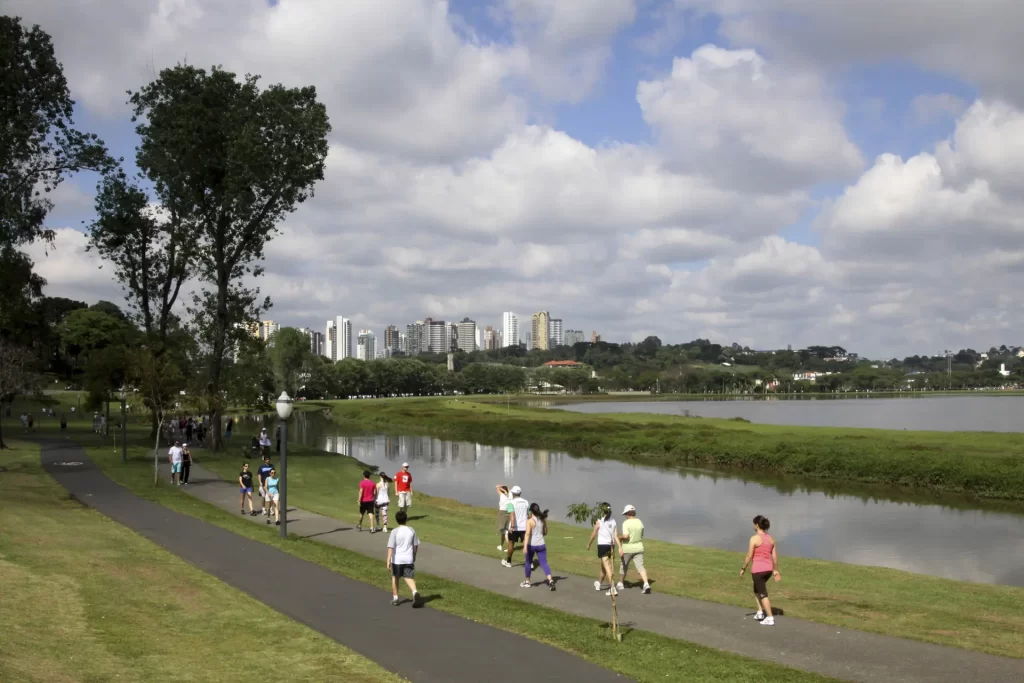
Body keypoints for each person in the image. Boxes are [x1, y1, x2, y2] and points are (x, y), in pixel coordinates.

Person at [741, 515, 781, 626]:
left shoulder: (754, 539)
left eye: (754, 524)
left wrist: (743, 568)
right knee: (756, 589)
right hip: (768, 570)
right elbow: (774, 557)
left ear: (757, 525)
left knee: (763, 594)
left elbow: (749, 556)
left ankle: (770, 618)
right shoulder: (771, 539)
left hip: (758, 571)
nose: (753, 526)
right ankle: (760, 612)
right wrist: (775, 570)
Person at [386, 510, 422, 607]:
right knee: (408, 577)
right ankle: (415, 592)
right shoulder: (411, 530)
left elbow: (390, 547)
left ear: (397, 520)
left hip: (397, 560)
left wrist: (388, 560)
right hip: (408, 559)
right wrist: (414, 555)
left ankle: (395, 598)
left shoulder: (394, 531)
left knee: (395, 577)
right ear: (406, 519)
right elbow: (416, 545)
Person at [586, 502, 622, 596]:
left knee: (607, 567)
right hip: (611, 546)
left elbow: (594, 533)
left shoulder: (599, 520)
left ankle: (612, 588)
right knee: (604, 567)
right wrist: (619, 547)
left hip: (603, 546)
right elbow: (615, 535)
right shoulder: (613, 521)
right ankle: (599, 583)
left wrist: (589, 544)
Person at [618, 504, 651, 594]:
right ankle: (646, 584)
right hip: (639, 548)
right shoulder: (639, 522)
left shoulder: (626, 523)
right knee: (640, 567)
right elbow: (641, 534)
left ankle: (621, 583)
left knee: (623, 566)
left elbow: (626, 536)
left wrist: (620, 538)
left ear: (627, 514)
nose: (625, 516)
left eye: (625, 514)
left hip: (627, 549)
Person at [522, 503, 555, 590]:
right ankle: (550, 580)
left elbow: (527, 534)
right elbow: (545, 532)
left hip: (531, 545)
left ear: (531, 511)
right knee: (544, 563)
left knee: (528, 562)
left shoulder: (529, 521)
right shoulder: (542, 520)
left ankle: (527, 581)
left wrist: (525, 546)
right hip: (541, 544)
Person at [502, 485, 529, 568]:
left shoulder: (511, 503)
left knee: (511, 544)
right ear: (520, 493)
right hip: (524, 527)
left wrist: (512, 526)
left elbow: (512, 515)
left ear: (513, 493)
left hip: (514, 528)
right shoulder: (526, 502)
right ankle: (529, 562)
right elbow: (529, 515)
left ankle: (508, 561)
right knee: (525, 544)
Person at [495, 484, 511, 552]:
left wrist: (501, 487)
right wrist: (505, 489)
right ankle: (501, 545)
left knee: (505, 532)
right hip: (509, 513)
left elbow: (497, 488)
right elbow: (508, 490)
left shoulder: (502, 495)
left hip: (502, 513)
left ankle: (509, 547)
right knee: (504, 532)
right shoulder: (510, 496)